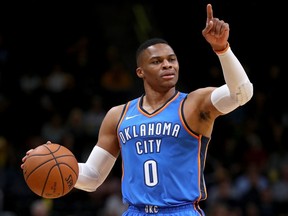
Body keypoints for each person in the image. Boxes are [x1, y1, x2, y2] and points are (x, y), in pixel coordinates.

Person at [21, 3, 253, 216]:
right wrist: (56, 166)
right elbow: (92, 177)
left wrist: (222, 49)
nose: (167, 64)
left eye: (172, 59)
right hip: (135, 211)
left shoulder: (194, 104)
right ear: (140, 72)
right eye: (157, 61)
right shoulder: (118, 115)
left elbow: (241, 93)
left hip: (181, 211)